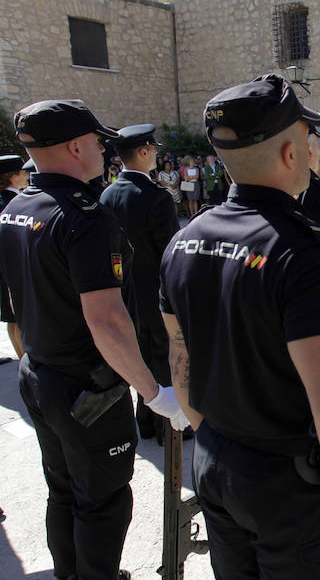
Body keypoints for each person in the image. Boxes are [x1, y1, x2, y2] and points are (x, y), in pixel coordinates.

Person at [160, 74, 320, 579]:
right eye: (308, 139)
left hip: (213, 459)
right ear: (291, 154)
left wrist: (216, 441)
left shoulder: (185, 240)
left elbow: (178, 356)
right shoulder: (305, 253)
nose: (315, 150)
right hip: (284, 484)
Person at [0, 99, 189, 580]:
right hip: (86, 386)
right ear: (76, 145)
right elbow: (106, 320)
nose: (105, 151)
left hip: (39, 371)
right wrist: (153, 391)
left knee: (62, 491)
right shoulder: (83, 217)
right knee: (102, 503)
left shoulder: (17, 207)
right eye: (100, 142)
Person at [100, 124, 183, 444]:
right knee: (162, 353)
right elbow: (168, 251)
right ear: (145, 152)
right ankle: (166, 425)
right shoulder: (154, 196)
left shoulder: (108, 193)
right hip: (154, 288)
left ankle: (144, 419)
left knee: (138, 351)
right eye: (154, 150)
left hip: (123, 288)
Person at [0, 155, 29, 359]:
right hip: (13, 267)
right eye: (22, 172)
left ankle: (21, 358)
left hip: (3, 267)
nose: (26, 175)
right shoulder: (14, 202)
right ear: (12, 176)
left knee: (11, 318)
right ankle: (26, 359)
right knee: (19, 317)